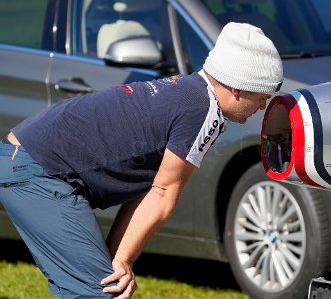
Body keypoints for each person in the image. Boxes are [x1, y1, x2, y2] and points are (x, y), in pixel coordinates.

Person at [0, 22, 283, 298]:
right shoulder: (202, 110)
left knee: (105, 285)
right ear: (236, 87)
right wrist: (121, 261)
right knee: (98, 292)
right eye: (261, 97)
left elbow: (150, 188)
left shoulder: (189, 92)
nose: (262, 107)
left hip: (33, 161)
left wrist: (118, 258)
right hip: (38, 168)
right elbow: (163, 194)